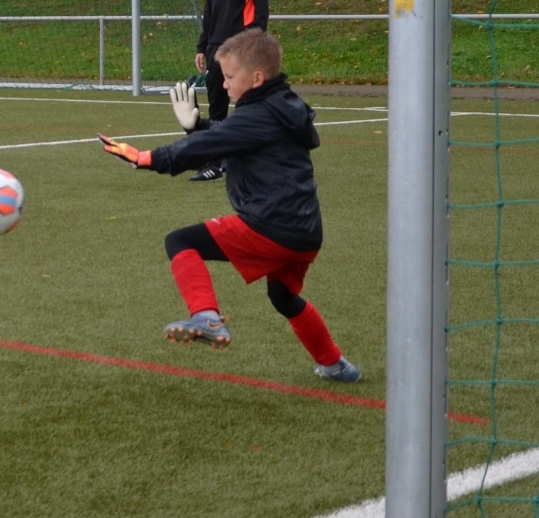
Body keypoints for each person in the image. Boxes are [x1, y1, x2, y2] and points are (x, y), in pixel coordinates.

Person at [100, 28, 360, 383]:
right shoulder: (281, 107)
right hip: (305, 233)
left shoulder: (258, 115)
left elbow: (212, 145)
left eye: (229, 77)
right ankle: (336, 364)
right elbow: (234, 138)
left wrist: (148, 158)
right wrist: (198, 125)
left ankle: (206, 317)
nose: (223, 85)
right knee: (283, 297)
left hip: (272, 226)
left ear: (257, 78)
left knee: (181, 241)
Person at [190, 0, 270, 181]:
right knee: (217, 107)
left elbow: (261, 12)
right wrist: (202, 47)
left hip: (241, 49)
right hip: (216, 49)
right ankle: (215, 163)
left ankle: (252, 160)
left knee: (246, 105)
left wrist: (252, 45)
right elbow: (209, 14)